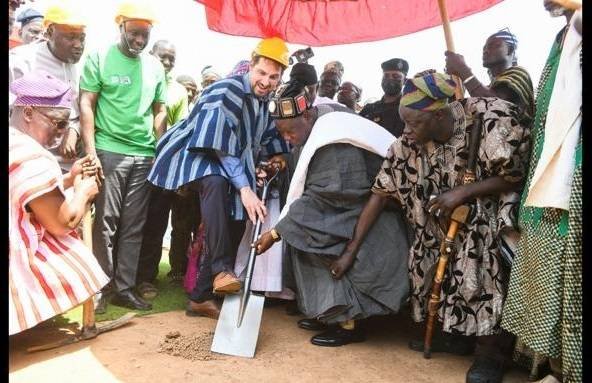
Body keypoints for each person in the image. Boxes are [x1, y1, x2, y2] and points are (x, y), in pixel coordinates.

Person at [343, 72, 531, 383]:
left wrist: (463, 192)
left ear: (440, 115)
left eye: (414, 123)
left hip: (493, 214)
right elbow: (380, 193)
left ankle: (491, 352)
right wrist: (351, 250)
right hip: (439, 222)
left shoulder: (492, 119)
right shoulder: (409, 142)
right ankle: (456, 334)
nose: (407, 131)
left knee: (478, 252)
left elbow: (515, 175)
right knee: (427, 255)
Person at [253, 79, 409, 346]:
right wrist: (285, 161)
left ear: (306, 115)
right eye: (282, 134)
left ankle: (348, 322)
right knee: (301, 232)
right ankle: (327, 311)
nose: (287, 138)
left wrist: (276, 233)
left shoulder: (335, 141)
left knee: (317, 236)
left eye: (289, 132)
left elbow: (330, 197)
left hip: (373, 214)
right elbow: (311, 166)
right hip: (352, 205)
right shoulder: (320, 121)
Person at [147, 37, 291, 319]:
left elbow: (268, 141)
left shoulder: (265, 103)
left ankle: (200, 297)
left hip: (233, 165)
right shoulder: (226, 90)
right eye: (261, 73)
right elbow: (218, 147)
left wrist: (277, 159)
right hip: (198, 155)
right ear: (251, 66)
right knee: (216, 181)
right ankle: (222, 271)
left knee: (237, 219)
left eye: (274, 77)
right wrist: (245, 188)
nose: (266, 81)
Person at [502, 2, 582, 382]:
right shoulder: (560, 37)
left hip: (573, 176)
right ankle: (554, 367)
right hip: (548, 175)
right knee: (547, 273)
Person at [79, 1, 167, 313]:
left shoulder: (155, 67)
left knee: (134, 225)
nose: (139, 40)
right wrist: (91, 151)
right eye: (134, 33)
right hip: (108, 150)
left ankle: (124, 289)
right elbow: (87, 102)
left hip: (143, 155)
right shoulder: (99, 57)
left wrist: (159, 149)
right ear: (121, 27)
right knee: (105, 223)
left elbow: (160, 110)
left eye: (145, 34)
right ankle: (100, 288)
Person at [9, 71, 109, 335]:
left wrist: (69, 178)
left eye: (66, 125)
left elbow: (22, 193)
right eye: (58, 123)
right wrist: (84, 193)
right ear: (28, 113)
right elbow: (62, 222)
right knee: (71, 250)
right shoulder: (33, 157)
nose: (62, 133)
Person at [136, 39, 197, 300]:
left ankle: (146, 278)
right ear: (152, 54)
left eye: (172, 57)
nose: (168, 61)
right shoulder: (137, 75)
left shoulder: (179, 93)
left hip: (161, 167)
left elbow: (179, 135)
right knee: (128, 223)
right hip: (132, 158)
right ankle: (118, 277)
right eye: (163, 56)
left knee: (156, 222)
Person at [9, 3, 87, 172]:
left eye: (82, 38)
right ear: (50, 32)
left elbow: (84, 109)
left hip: (69, 162)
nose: (78, 45)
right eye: (71, 37)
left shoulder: (81, 66)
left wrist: (74, 130)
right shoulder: (21, 60)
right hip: (29, 162)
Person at [445, 29, 535, 125]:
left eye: (493, 46)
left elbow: (496, 105)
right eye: (484, 48)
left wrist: (463, 70)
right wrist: (452, 90)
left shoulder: (520, 74)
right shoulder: (487, 89)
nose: (486, 51)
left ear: (510, 50)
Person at [359, 58, 408, 138]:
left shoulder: (408, 110)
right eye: (386, 75)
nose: (390, 79)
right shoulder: (369, 108)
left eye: (396, 76)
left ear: (405, 81)